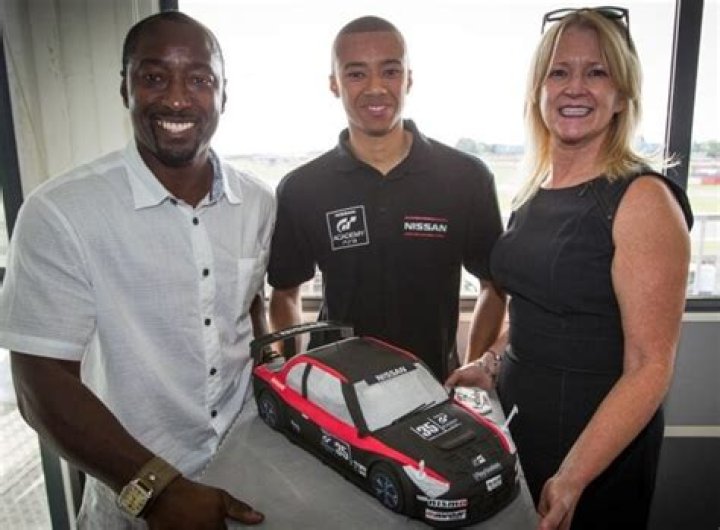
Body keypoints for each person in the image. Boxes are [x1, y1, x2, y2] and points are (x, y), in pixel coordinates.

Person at [0, 11, 275, 529]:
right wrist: (157, 489)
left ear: (223, 95)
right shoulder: (60, 211)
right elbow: (40, 384)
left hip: (249, 478)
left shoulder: (259, 202)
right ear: (125, 89)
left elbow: (252, 310)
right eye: (154, 77)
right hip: (129, 497)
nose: (177, 99)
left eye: (200, 80)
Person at [446, 7, 693, 530]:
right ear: (539, 91)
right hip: (520, 430)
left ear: (622, 95)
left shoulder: (643, 199)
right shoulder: (533, 195)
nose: (574, 87)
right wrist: (489, 363)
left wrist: (574, 476)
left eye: (596, 72)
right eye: (559, 72)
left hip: (594, 456)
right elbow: (535, 312)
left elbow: (650, 365)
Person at [267, 15, 505, 381]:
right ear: (334, 84)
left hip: (431, 384)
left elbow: (493, 285)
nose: (375, 88)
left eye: (390, 71)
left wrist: (471, 369)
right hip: (333, 389)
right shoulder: (302, 188)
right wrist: (291, 378)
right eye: (356, 74)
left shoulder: (466, 177)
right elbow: (284, 293)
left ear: (409, 79)